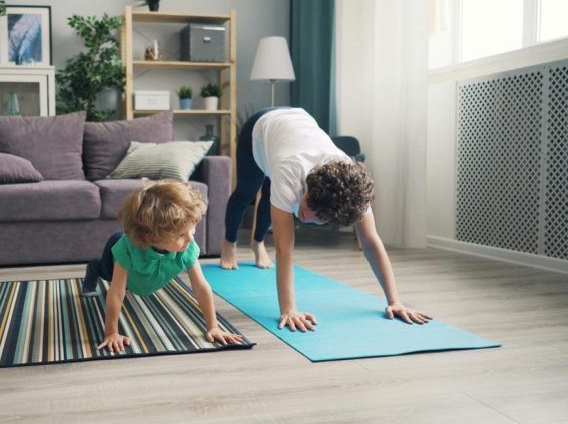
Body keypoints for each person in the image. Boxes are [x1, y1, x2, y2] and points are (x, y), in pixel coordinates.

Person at [220, 107, 431, 331]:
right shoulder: (290, 171)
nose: (303, 212)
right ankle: (229, 243)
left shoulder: (353, 190)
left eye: (316, 215)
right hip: (261, 126)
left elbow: (371, 242)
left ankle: (257, 243)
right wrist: (289, 309)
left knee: (274, 194)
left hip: (292, 131)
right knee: (247, 192)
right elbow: (284, 247)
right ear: (310, 185)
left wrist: (395, 301)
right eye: (307, 200)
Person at [83, 180, 244, 353]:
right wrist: (111, 332)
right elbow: (116, 291)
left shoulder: (186, 247)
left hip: (145, 267)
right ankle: (93, 267)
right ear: (153, 237)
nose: (190, 238)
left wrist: (213, 326)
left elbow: (201, 287)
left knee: (138, 277)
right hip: (120, 249)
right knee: (106, 271)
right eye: (181, 235)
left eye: (192, 229)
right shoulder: (126, 247)